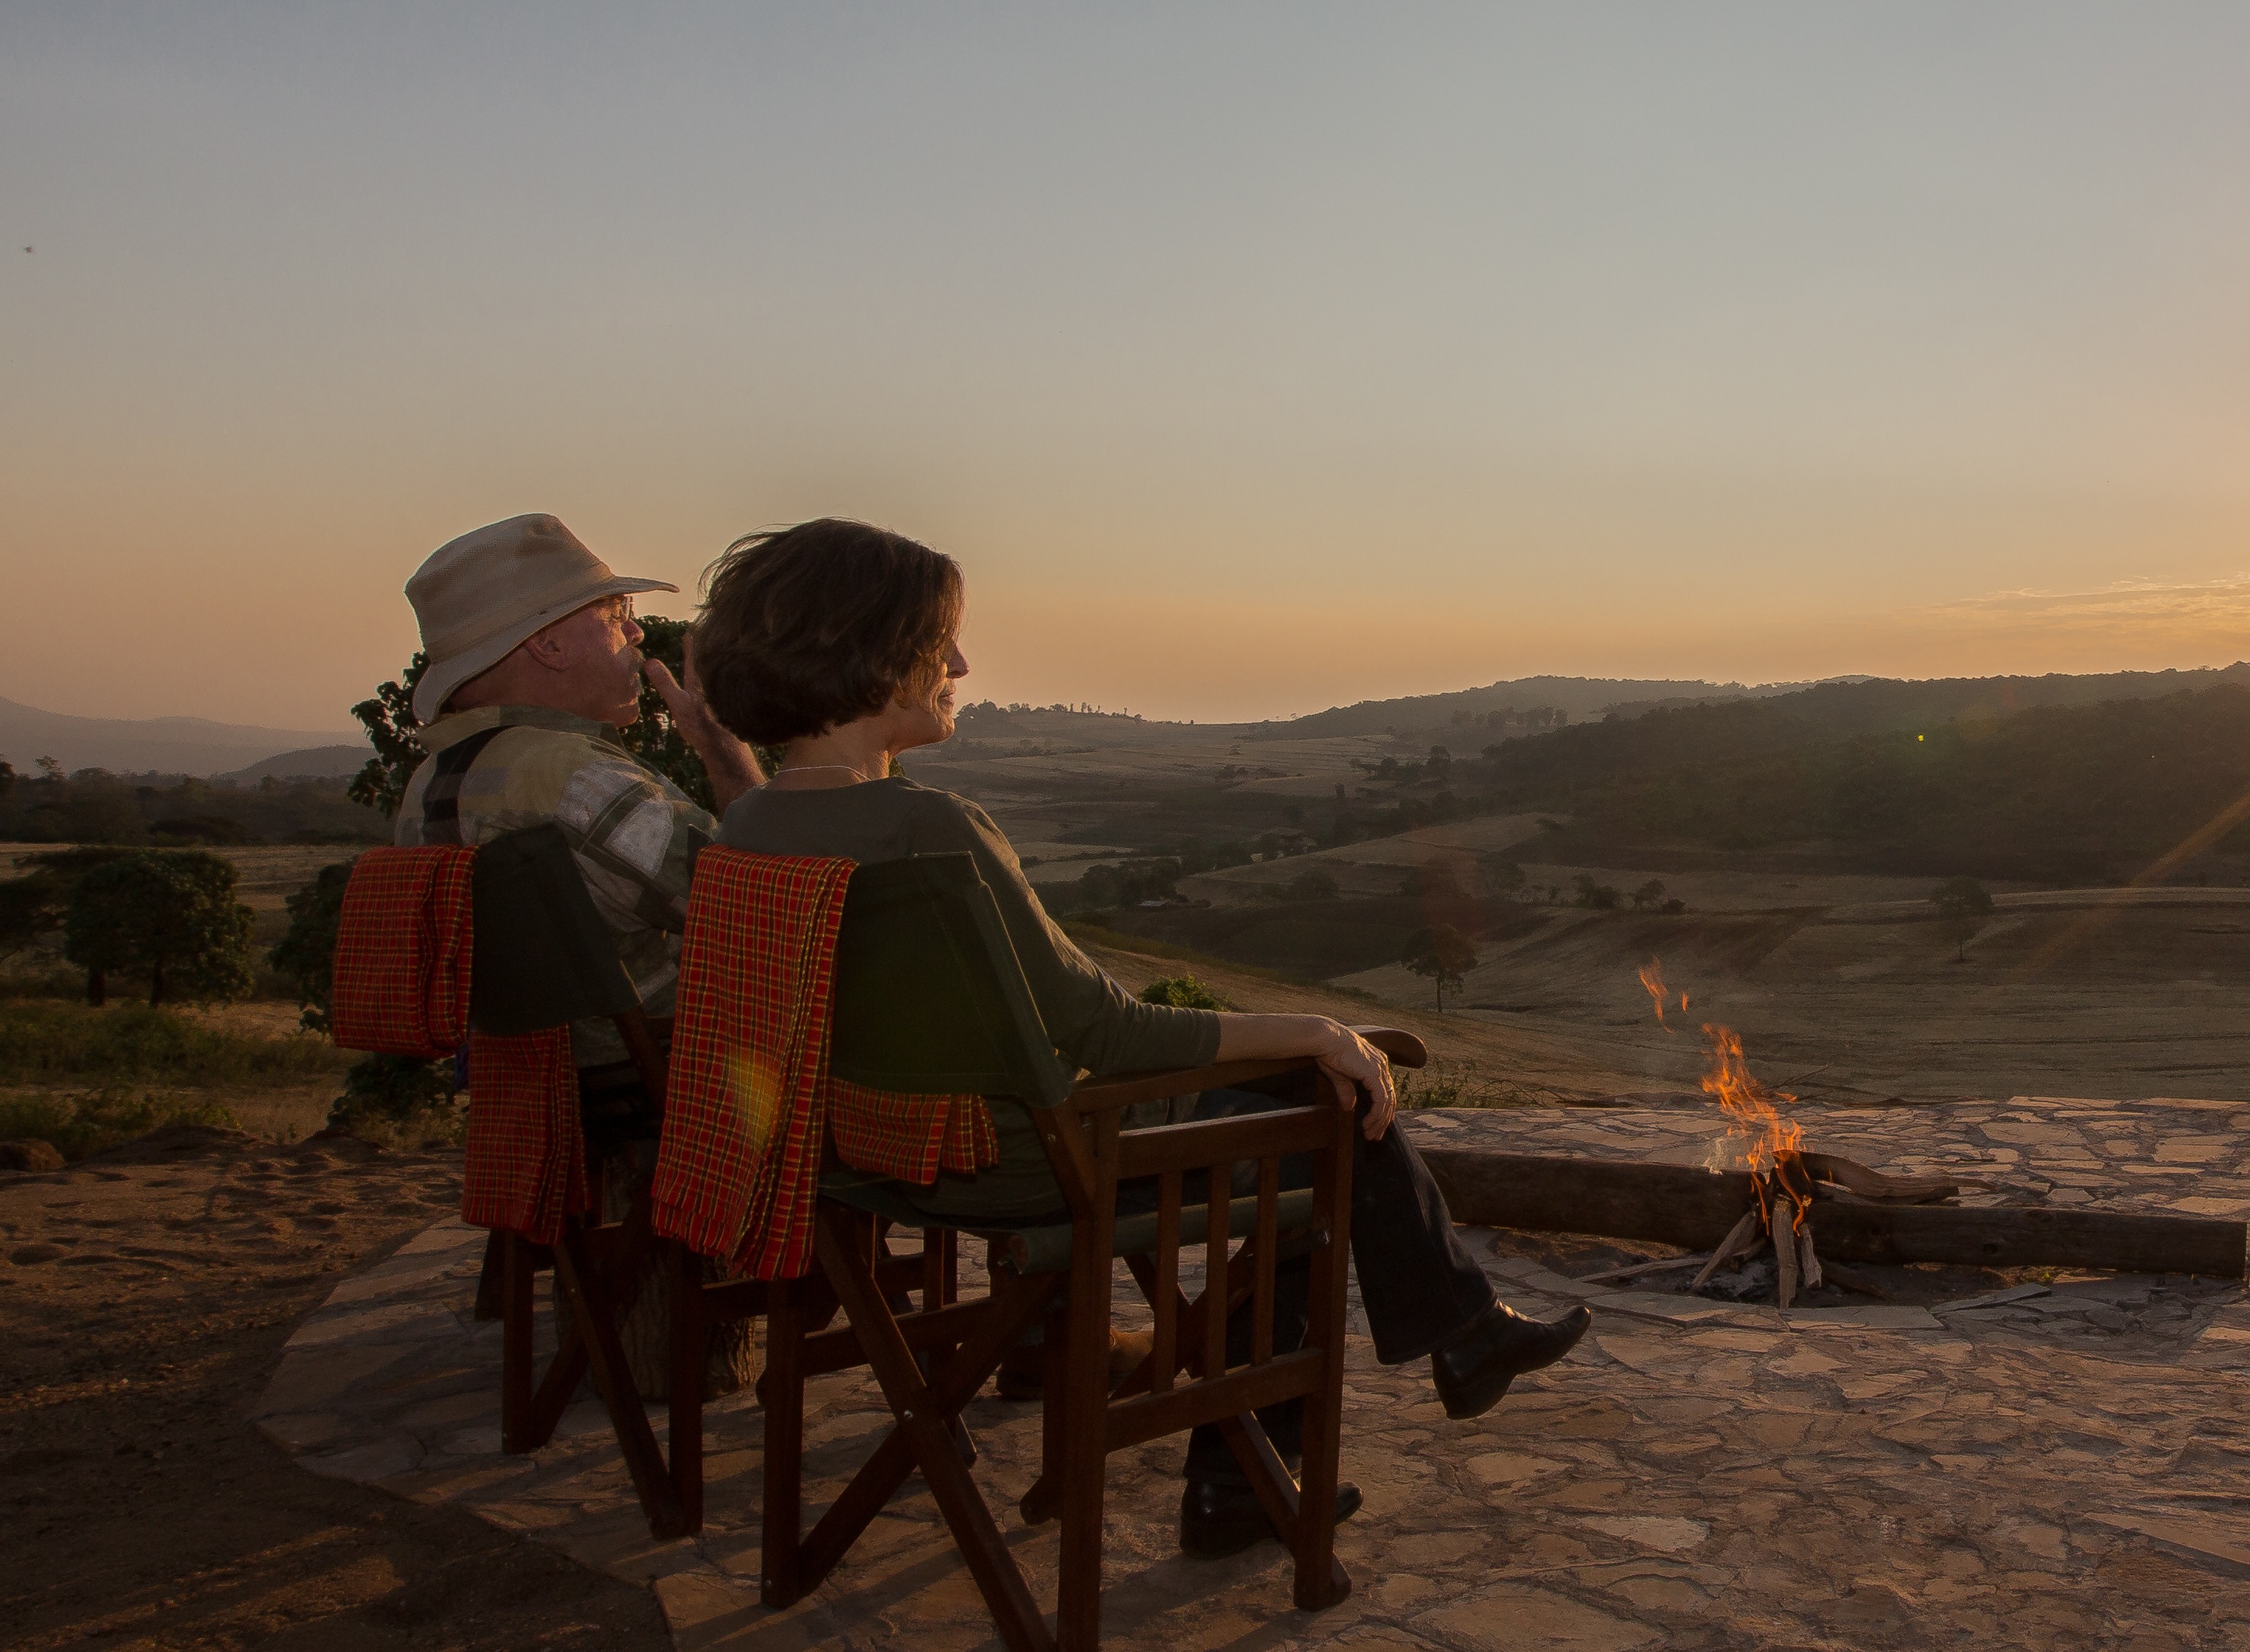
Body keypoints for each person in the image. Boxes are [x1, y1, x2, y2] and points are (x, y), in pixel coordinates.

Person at [687, 517, 1589, 1559]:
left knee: (1302, 1113)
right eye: (942, 641)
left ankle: (1388, 1385)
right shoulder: (930, 833)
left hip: (870, 1157)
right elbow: (1106, 1034)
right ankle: (1290, 1443)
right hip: (1029, 1161)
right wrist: (1322, 1030)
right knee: (1330, 1116)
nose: (963, 665)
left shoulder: (747, 831)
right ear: (874, 651)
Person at [393, 513, 768, 1161]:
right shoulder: (576, 778)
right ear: (551, 646)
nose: (636, 630)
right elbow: (762, 907)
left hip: (534, 1090)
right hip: (660, 1084)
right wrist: (727, 753)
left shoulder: (427, 785)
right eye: (617, 611)